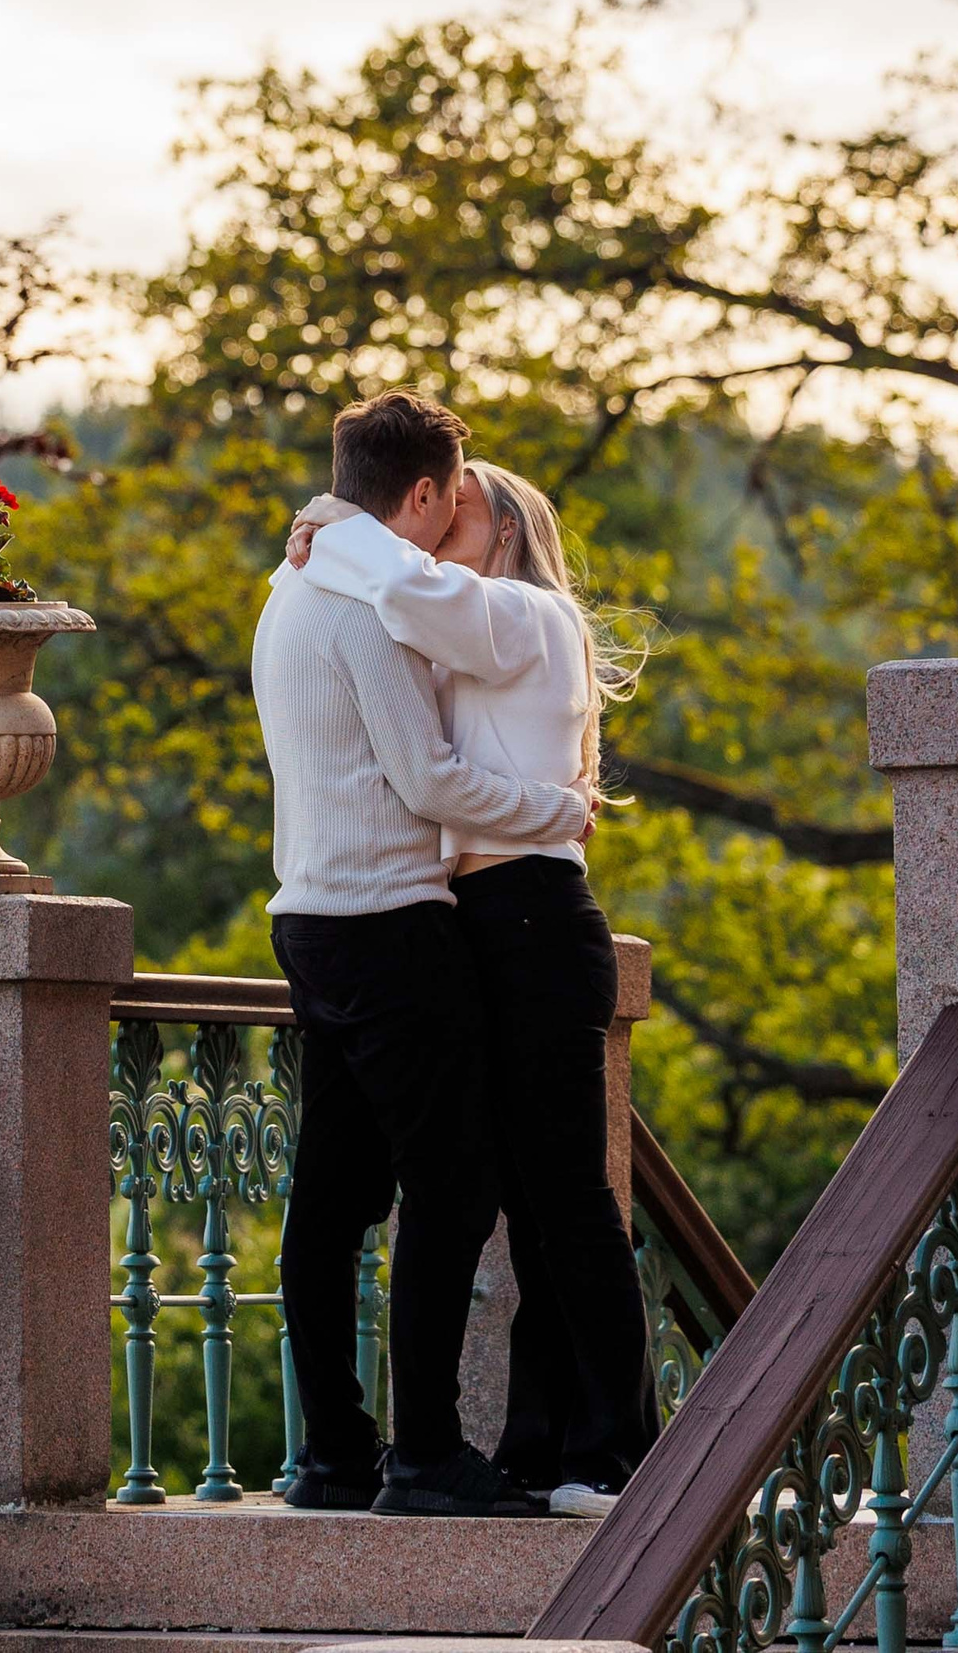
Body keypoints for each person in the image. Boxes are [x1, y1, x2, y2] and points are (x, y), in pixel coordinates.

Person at [284, 455, 653, 1519]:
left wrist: (331, 521)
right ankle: (537, 1445)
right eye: (438, 492)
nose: (444, 511)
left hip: (535, 917)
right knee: (522, 1205)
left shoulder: (526, 614)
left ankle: (614, 1451)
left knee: (571, 1198)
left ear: (502, 528)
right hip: (477, 925)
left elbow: (398, 586)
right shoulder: (463, 630)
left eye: (467, 499)